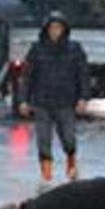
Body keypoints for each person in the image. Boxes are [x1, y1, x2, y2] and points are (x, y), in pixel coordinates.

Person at [18, 11, 90, 182]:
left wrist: (83, 98)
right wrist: (23, 100)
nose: (55, 31)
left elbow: (83, 75)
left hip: (66, 101)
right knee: (43, 140)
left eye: (58, 28)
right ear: (46, 30)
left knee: (69, 139)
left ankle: (71, 162)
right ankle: (46, 175)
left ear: (64, 30)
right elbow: (27, 76)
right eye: (52, 28)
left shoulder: (75, 49)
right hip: (42, 102)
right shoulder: (37, 49)